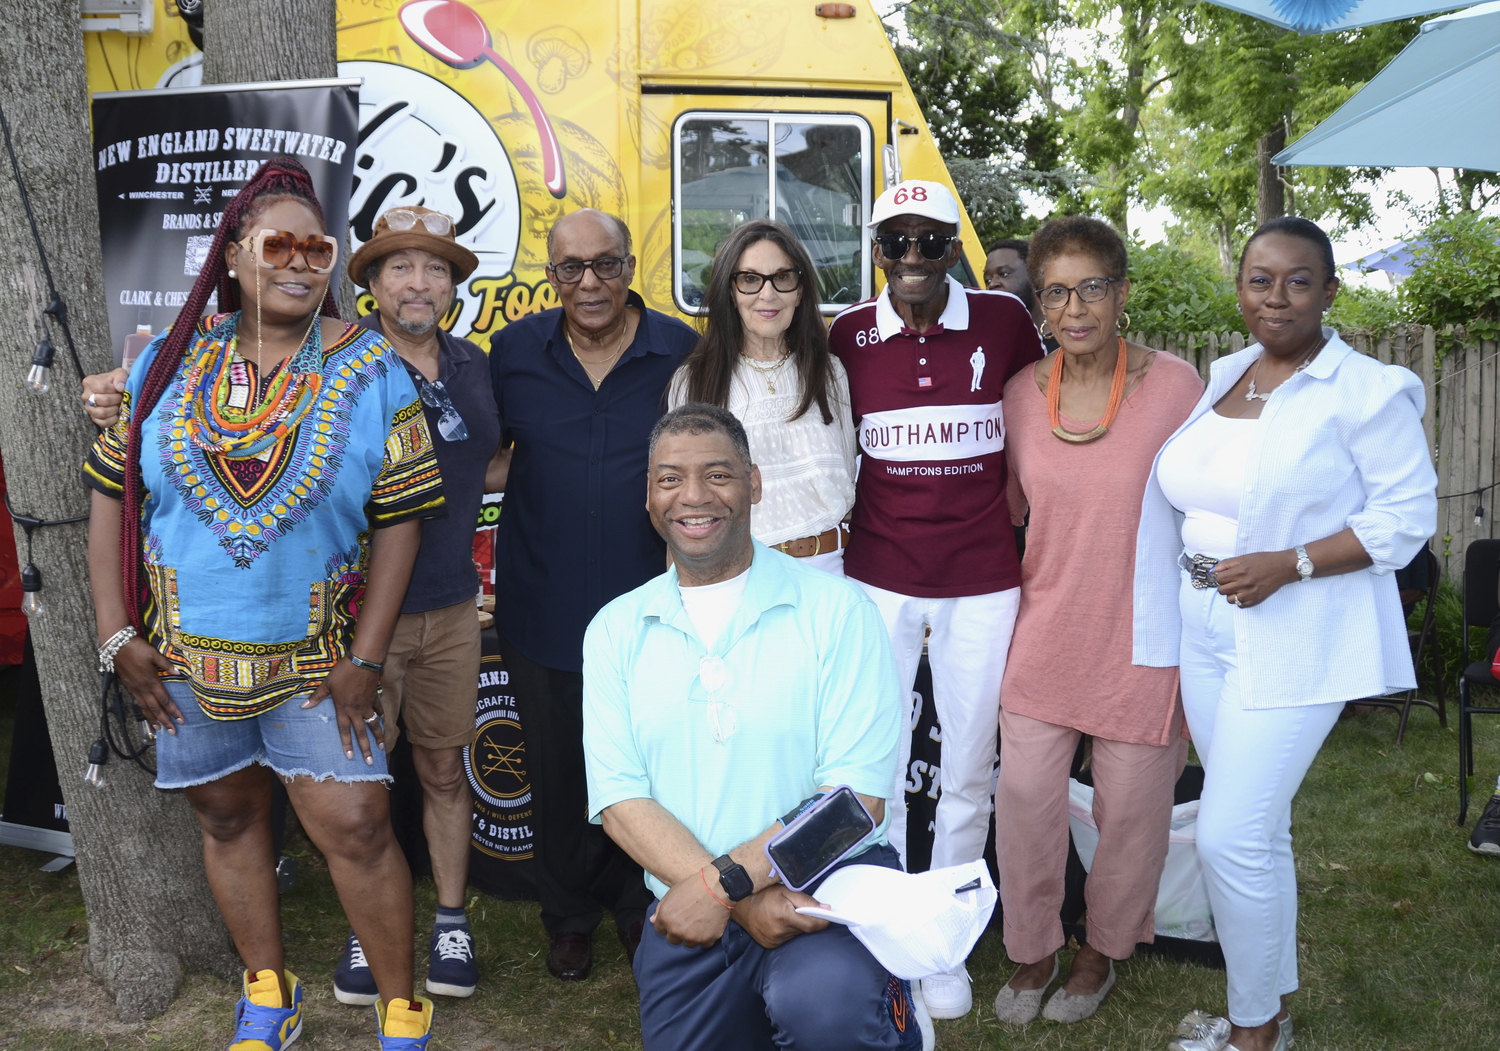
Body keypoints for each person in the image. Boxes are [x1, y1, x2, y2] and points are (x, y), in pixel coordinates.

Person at [81, 205, 512, 1006]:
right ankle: (268, 996)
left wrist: (364, 659)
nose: (300, 260)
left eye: (316, 247)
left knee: (356, 824)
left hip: (318, 661)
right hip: (184, 661)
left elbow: (403, 517)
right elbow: (112, 490)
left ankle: (399, 1011)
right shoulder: (169, 361)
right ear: (233, 256)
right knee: (227, 818)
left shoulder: (371, 366)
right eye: (278, 243)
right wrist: (115, 636)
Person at [1133, 217, 1436, 1051]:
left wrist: (1291, 562)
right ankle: (1264, 1006)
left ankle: (1253, 1029)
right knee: (1258, 833)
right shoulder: (1228, 374)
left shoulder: (1368, 390)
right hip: (1204, 627)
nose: (1277, 296)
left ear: (1331, 291)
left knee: (1231, 833)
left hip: (1296, 632)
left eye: (1298, 280)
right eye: (1259, 279)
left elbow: (1406, 518)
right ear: (1239, 289)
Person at [582, 403, 929, 1051]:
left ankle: (888, 1017)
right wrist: (734, 901)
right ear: (649, 496)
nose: (693, 496)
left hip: (825, 899)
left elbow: (855, 802)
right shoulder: (615, 630)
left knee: (825, 1010)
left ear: (755, 484)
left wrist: (723, 883)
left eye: (718, 475)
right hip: (695, 911)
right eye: (669, 479)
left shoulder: (836, 609)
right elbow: (621, 800)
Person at [828, 180, 1045, 1020]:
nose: (912, 259)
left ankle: (945, 943)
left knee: (967, 768)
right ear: (875, 250)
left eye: (930, 242)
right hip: (878, 575)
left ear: (955, 247)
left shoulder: (1003, 320)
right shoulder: (848, 333)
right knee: (870, 763)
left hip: (985, 578)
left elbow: (1040, 419)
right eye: (895, 242)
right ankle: (884, 927)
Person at [991, 216, 1203, 1026]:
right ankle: (1034, 943)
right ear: (1038, 300)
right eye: (1055, 290)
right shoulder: (1018, 396)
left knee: (1133, 814)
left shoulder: (1179, 388)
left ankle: (1100, 949)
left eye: (1092, 287)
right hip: (1045, 632)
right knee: (1026, 797)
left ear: (1121, 292)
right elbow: (1011, 517)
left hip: (1145, 639)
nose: (1074, 307)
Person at [489, 208, 697, 981]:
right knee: (555, 772)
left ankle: (641, 906)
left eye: (605, 264)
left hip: (651, 605)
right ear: (551, 276)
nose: (589, 283)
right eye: (571, 268)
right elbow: (477, 446)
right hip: (540, 600)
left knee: (645, 767)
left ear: (630, 264)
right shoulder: (512, 352)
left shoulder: (680, 349)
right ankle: (568, 916)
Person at [667, 219, 856, 574]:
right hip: (739, 574)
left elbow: (846, 479)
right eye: (750, 279)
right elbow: (681, 510)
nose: (767, 295)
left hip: (830, 573)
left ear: (800, 290)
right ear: (730, 291)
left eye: (782, 278)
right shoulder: (695, 381)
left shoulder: (830, 373)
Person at [984, 239, 1043, 326]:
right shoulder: (997, 338)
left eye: (1004, 274)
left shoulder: (1065, 334)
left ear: (1033, 274)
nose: (992, 284)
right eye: (988, 280)